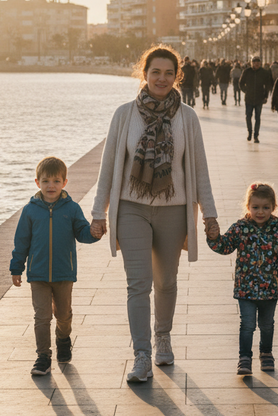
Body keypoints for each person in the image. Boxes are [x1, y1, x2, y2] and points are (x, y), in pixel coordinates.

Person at [90, 46, 219, 383]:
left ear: (177, 76)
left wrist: (210, 214)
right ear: (143, 74)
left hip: (174, 209)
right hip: (131, 207)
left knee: (167, 282)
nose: (161, 78)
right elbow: (108, 166)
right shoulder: (124, 114)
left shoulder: (187, 117)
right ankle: (142, 355)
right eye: (155, 72)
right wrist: (98, 212)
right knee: (138, 284)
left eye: (168, 73)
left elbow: (199, 168)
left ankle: (163, 335)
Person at [206, 182, 278, 375]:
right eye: (255, 207)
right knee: (247, 324)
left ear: (273, 207)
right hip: (245, 288)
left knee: (266, 324)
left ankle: (266, 353)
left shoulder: (277, 227)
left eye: (265, 207)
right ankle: (244, 357)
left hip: (270, 288)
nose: (260, 212)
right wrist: (214, 237)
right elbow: (225, 246)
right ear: (248, 207)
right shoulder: (240, 227)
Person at [10, 156, 97, 376]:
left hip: (63, 273)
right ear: (37, 182)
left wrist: (95, 233)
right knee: (42, 316)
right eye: (46, 181)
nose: (51, 186)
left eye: (56, 181)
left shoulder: (72, 209)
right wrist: (16, 268)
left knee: (63, 315)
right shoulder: (30, 211)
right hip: (37, 274)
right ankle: (43, 357)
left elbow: (83, 234)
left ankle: (63, 338)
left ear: (65, 182)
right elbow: (21, 242)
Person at [240, 56, 272, 143]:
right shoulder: (247, 72)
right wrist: (245, 90)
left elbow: (267, 85)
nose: (256, 63)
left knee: (258, 117)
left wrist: (265, 96)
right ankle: (250, 132)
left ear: (260, 63)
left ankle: (256, 135)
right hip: (249, 98)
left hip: (259, 98)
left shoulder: (263, 72)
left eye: (258, 62)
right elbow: (241, 83)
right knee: (248, 116)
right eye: (254, 62)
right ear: (252, 63)